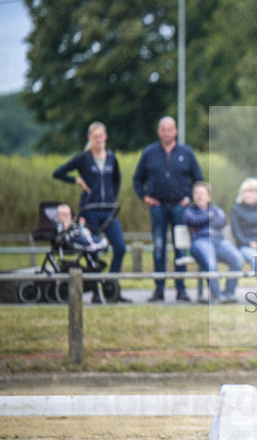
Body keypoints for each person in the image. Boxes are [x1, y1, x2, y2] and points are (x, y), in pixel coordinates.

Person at [52, 121, 128, 302]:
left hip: (108, 211)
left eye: (101, 136)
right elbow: (58, 172)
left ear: (105, 137)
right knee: (92, 250)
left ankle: (112, 285)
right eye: (95, 137)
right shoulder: (83, 158)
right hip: (90, 210)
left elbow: (117, 180)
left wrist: (111, 197)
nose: (98, 140)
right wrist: (77, 180)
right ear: (90, 138)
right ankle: (95, 291)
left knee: (120, 247)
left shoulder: (111, 158)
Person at [132, 116, 203, 302]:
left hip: (180, 207)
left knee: (181, 248)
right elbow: (137, 179)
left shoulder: (186, 153)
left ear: (176, 131)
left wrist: (189, 199)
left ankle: (181, 289)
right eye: (163, 129)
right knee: (159, 248)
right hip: (158, 207)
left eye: (170, 129)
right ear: (158, 131)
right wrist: (144, 196)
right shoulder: (149, 153)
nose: (166, 132)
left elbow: (198, 179)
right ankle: (159, 289)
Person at [184, 181, 243, 303]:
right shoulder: (190, 211)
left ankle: (228, 293)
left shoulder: (217, 210)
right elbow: (192, 221)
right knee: (210, 262)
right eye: (196, 193)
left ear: (209, 197)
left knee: (237, 259)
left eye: (202, 193)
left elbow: (221, 221)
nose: (199, 196)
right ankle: (217, 295)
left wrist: (202, 222)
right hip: (200, 241)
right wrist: (209, 217)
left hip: (218, 241)